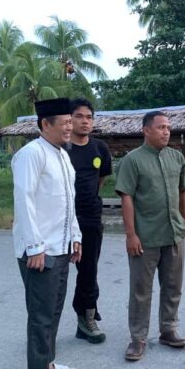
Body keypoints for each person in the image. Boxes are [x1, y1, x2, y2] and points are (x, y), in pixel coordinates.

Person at [12, 97, 83, 369]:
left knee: (53, 311)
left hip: (62, 246)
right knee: (41, 315)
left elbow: (69, 200)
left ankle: (48, 364)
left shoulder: (62, 156)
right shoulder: (31, 154)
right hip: (40, 250)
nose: (71, 127)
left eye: (71, 122)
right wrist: (34, 247)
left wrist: (75, 236)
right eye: (65, 123)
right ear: (45, 125)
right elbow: (24, 200)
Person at [114, 111, 185, 361]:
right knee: (141, 290)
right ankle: (138, 338)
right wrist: (130, 234)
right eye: (160, 127)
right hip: (145, 236)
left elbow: (184, 189)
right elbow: (126, 196)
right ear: (146, 130)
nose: (166, 131)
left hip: (173, 234)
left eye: (168, 127)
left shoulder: (176, 157)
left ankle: (168, 329)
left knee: (172, 286)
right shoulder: (133, 160)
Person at [65, 98, 112, 344]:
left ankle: (87, 318)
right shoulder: (61, 149)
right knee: (57, 271)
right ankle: (46, 326)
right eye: (80, 116)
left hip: (90, 217)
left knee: (88, 270)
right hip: (62, 219)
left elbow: (100, 179)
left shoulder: (100, 148)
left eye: (89, 117)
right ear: (69, 120)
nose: (85, 121)